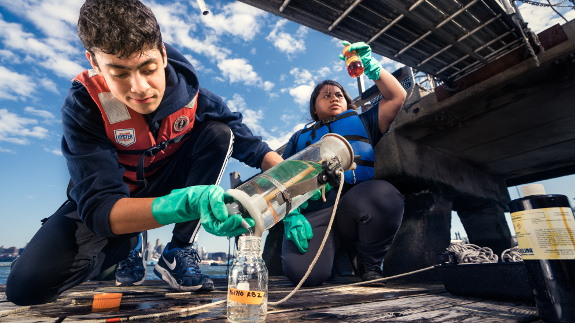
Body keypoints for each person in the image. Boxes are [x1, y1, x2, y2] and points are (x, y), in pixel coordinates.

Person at [6, 0, 282, 306]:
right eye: (119, 73)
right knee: (26, 286)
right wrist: (180, 205)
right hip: (110, 199)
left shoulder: (195, 95)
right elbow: (99, 206)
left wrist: (293, 187)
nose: (139, 88)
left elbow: (251, 144)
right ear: (95, 64)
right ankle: (124, 247)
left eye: (148, 68)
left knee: (220, 133)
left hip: (164, 181)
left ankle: (178, 251)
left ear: (162, 54)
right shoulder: (84, 106)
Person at [280, 41, 406, 286]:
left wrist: (371, 67)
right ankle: (333, 257)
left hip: (354, 200)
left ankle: (368, 264)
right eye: (325, 96)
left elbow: (397, 96)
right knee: (303, 276)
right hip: (313, 210)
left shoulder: (365, 122)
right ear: (314, 109)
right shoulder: (298, 138)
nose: (333, 98)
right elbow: (282, 176)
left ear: (348, 102)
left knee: (385, 196)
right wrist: (291, 214)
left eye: (339, 94)